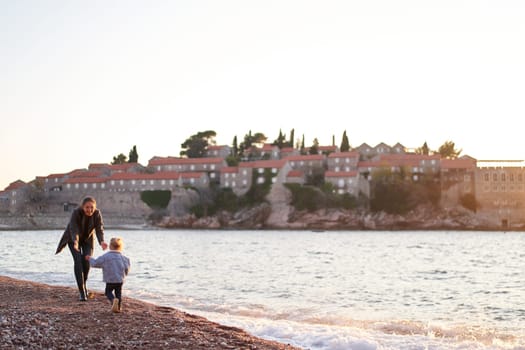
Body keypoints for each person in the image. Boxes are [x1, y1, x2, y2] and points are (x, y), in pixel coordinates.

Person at [55, 196, 107, 301]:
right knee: (78, 261)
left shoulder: (97, 214)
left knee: (87, 261)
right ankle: (82, 292)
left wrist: (101, 241)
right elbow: (74, 229)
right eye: (87, 207)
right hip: (73, 239)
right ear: (82, 207)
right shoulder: (76, 213)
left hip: (87, 240)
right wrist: (75, 242)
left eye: (92, 207)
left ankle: (84, 284)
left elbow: (99, 229)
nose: (90, 210)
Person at [86, 237, 131, 313]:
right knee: (118, 293)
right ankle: (118, 307)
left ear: (110, 246)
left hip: (110, 279)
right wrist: (124, 275)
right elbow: (127, 268)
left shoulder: (106, 256)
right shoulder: (124, 258)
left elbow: (95, 263)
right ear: (120, 247)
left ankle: (113, 300)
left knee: (108, 292)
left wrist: (90, 258)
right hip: (120, 279)